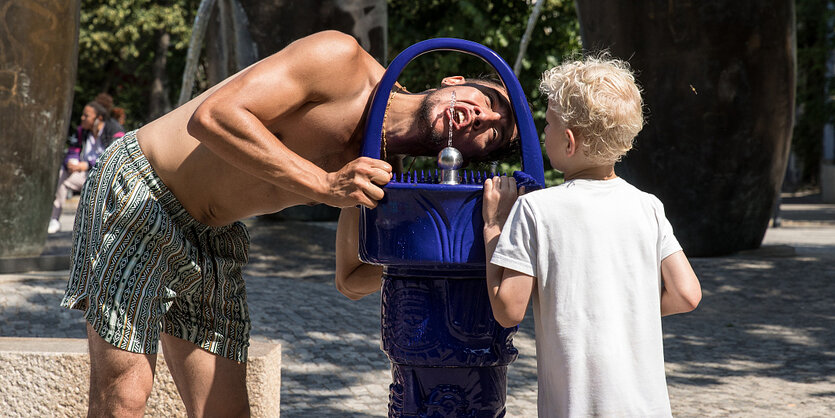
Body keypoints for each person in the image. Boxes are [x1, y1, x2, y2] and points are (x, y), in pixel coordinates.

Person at [61, 30, 517, 417]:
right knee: (123, 399)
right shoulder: (341, 61)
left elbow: (352, 277)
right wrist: (324, 184)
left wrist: (459, 250)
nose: (486, 116)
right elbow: (213, 117)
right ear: (454, 81)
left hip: (213, 237)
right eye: (490, 99)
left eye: (493, 133)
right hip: (144, 187)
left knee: (226, 412)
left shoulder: (387, 174)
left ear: (473, 154)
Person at [481, 56, 702, 417]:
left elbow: (507, 310)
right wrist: (627, 311)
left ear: (569, 142)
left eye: (548, 123)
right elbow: (687, 294)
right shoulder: (647, 207)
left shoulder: (536, 210)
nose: (543, 132)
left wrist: (494, 227)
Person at [48, 101, 124, 233]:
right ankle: (54, 219)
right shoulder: (81, 131)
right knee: (62, 174)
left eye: (86, 115)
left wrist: (88, 165)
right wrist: (71, 163)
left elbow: (114, 156)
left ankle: (103, 225)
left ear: (98, 118)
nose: (82, 118)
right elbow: (73, 150)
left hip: (106, 177)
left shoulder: (114, 129)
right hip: (85, 176)